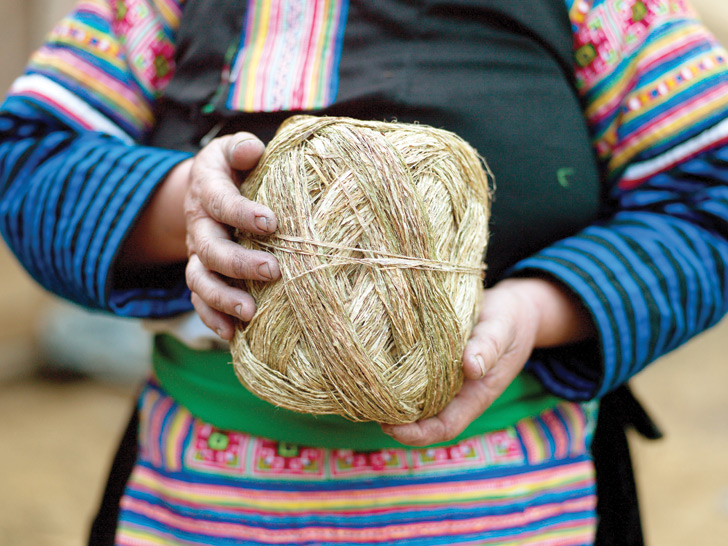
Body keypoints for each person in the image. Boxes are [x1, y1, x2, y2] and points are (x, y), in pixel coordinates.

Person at [1, 0, 727, 544]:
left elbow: (712, 191)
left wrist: (540, 310)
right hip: (202, 504)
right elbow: (29, 157)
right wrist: (185, 200)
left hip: (525, 506)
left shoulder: (605, 11)